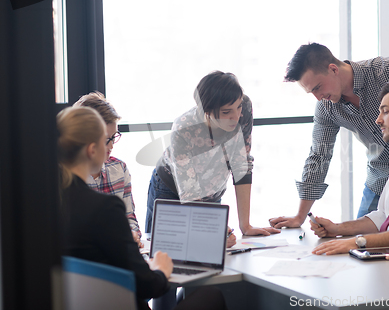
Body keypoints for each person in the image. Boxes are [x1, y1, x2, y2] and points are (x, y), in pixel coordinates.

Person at [58, 106, 228, 310]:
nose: (110, 146)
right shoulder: (104, 208)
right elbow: (148, 287)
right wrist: (160, 270)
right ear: (91, 150)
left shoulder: (46, 204)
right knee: (211, 296)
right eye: (106, 139)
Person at [269, 43, 389, 229]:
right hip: (380, 178)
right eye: (312, 92)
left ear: (333, 69)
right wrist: (300, 216)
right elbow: (319, 156)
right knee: (357, 242)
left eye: (318, 87)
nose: (318, 97)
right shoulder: (326, 108)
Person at [146, 71, 280, 238]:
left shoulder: (244, 107)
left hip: (211, 190)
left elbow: (241, 165)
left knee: (211, 253)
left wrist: (245, 226)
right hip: (172, 189)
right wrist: (211, 231)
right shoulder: (183, 128)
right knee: (165, 250)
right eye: (226, 112)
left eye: (237, 107)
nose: (235, 116)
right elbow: (190, 192)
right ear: (206, 111)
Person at [311, 79, 389, 255]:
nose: (378, 120)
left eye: (385, 112)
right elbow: (383, 215)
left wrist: (358, 242)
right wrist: (338, 229)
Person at [74, 92, 143, 246]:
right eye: (106, 139)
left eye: (114, 137)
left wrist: (131, 233)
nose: (111, 145)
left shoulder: (119, 168)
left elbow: (129, 217)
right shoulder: (67, 177)